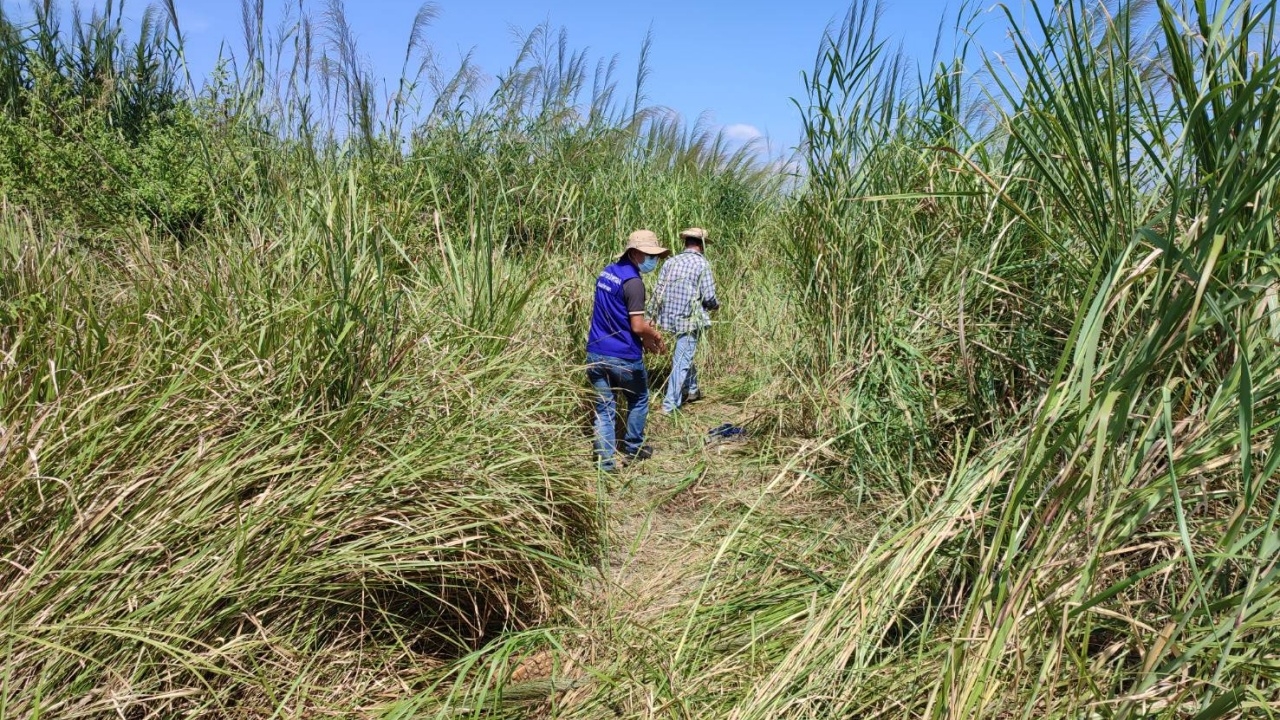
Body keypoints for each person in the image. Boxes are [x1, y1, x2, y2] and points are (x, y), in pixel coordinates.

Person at [585, 229, 670, 471]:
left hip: (595, 352)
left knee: (604, 408)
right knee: (639, 398)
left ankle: (605, 463)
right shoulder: (634, 283)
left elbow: (616, 314)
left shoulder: (607, 273)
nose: (652, 260)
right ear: (634, 253)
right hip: (623, 355)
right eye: (648, 255)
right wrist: (654, 335)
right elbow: (636, 325)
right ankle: (633, 449)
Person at [650, 227, 719, 414]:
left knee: (684, 354)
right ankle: (669, 405)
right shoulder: (701, 265)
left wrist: (651, 316)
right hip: (689, 320)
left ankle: (693, 389)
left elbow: (658, 292)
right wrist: (714, 306)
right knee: (681, 360)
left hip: (669, 318)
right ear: (702, 245)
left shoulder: (670, 262)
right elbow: (710, 296)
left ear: (685, 242)